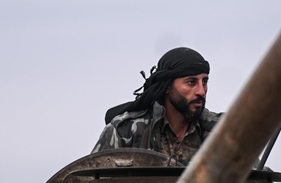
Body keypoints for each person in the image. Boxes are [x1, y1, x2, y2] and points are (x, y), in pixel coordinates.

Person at [92, 47, 222, 166]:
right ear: (167, 87)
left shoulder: (221, 131)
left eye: (204, 82)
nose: (201, 91)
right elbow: (89, 180)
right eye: (191, 82)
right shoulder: (126, 132)